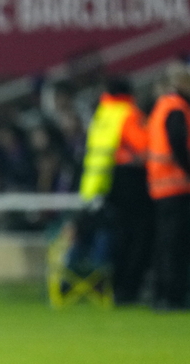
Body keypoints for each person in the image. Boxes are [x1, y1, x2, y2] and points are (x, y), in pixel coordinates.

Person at [79, 77, 152, 305]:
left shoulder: (102, 114)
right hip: (131, 180)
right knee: (138, 238)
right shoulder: (128, 114)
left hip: (105, 182)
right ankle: (129, 290)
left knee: (120, 238)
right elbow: (143, 145)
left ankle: (117, 288)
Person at [145, 63, 190, 310]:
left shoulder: (161, 106)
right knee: (176, 245)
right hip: (176, 185)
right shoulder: (177, 108)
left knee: (164, 243)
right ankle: (173, 295)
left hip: (160, 185)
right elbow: (178, 144)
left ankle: (161, 293)